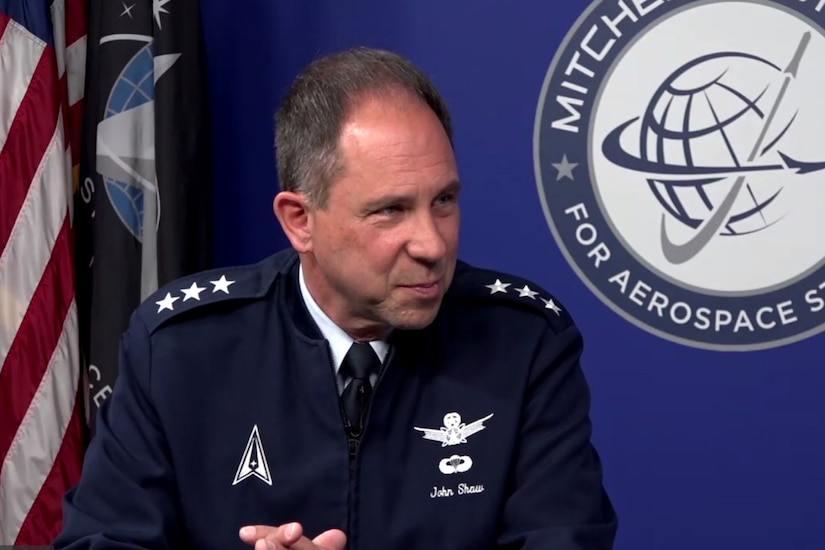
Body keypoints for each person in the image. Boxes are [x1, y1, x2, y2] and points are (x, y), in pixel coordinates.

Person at [55, 47, 617, 550]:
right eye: (390, 210)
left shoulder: (524, 344)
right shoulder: (180, 350)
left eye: (444, 200)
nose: (432, 243)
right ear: (299, 220)